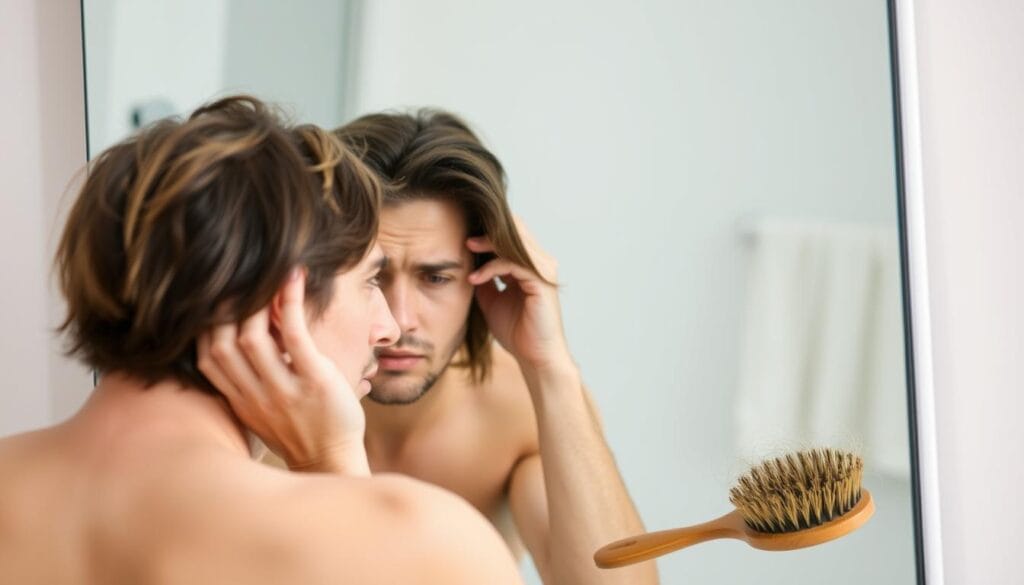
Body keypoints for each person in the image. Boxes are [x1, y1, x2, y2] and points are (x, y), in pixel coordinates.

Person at [0, 96, 523, 585]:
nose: (388, 327)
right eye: (370, 280)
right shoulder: (432, 547)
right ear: (282, 303)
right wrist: (338, 468)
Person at [334, 110, 659, 584]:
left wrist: (549, 365)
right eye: (374, 276)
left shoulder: (519, 414)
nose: (400, 320)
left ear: (482, 273)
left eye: (435, 277)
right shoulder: (263, 395)